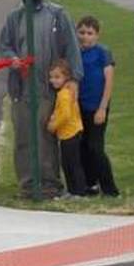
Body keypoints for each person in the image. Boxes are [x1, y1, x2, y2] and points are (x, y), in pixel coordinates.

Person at [0, 0, 83, 199]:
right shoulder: (14, 18)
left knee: (45, 137)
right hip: (22, 90)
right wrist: (12, 58)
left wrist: (73, 79)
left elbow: (71, 47)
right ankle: (27, 183)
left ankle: (49, 183)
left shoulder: (57, 15)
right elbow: (4, 45)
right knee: (24, 138)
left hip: (48, 89)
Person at [76, 16, 120, 197]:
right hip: (80, 106)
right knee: (83, 146)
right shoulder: (75, 52)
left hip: (97, 107)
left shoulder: (103, 53)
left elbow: (109, 80)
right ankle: (90, 183)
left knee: (96, 147)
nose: (85, 37)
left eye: (90, 33)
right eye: (82, 33)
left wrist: (103, 107)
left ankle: (109, 188)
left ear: (97, 35)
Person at [45, 59, 88, 197]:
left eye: (57, 77)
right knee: (68, 163)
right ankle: (72, 190)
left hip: (70, 133)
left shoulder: (64, 94)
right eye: (51, 77)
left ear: (66, 77)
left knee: (72, 164)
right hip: (69, 133)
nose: (53, 80)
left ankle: (79, 191)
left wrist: (53, 124)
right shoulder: (65, 92)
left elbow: (65, 115)